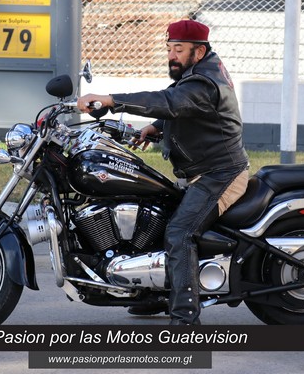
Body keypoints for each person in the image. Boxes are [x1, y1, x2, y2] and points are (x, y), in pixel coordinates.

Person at [77, 19, 249, 325]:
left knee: (180, 232)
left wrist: (112, 101)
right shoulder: (198, 73)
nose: (172, 55)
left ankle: (185, 319)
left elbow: (170, 101)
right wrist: (155, 128)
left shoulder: (203, 81)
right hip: (203, 171)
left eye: (179, 49)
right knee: (156, 218)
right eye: (169, 48)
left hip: (220, 174)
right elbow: (183, 108)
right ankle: (152, 294)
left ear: (199, 51)